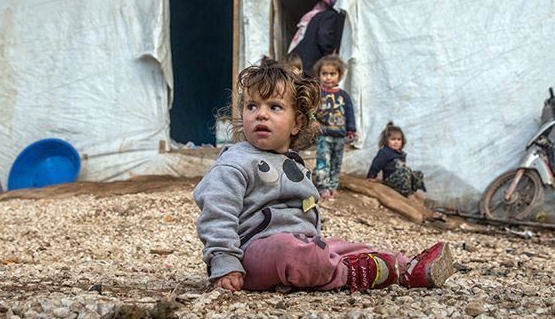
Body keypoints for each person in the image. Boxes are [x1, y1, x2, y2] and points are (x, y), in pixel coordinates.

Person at [193, 58, 455, 293]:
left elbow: (307, 213)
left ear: (297, 123)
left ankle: (406, 267)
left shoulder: (293, 164)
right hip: (252, 255)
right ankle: (350, 273)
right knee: (292, 251)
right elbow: (217, 213)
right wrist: (225, 261)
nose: (261, 114)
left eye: (274, 107)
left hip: (302, 244)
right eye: (252, 106)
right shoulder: (235, 162)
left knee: (343, 246)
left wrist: (318, 242)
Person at [313, 55, 356, 201]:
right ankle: (323, 187)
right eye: (324, 73)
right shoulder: (318, 94)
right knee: (323, 161)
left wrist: (351, 129)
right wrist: (313, 123)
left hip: (340, 136)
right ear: (319, 75)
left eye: (332, 74)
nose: (328, 77)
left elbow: (349, 112)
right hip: (323, 135)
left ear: (340, 75)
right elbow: (311, 111)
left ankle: (333, 186)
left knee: (336, 163)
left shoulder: (343, 96)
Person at [367, 122, 426, 198]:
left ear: (402, 141)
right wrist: (371, 176)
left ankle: (410, 190)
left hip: (401, 180)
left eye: (399, 139)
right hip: (390, 181)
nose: (396, 142)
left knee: (418, 173)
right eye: (393, 139)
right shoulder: (384, 152)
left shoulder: (401, 154)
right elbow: (376, 165)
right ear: (386, 140)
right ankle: (406, 192)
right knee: (405, 171)